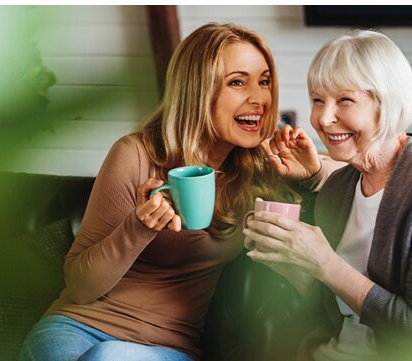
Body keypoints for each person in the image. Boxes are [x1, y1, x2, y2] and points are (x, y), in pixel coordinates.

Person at [19, 22, 307, 361]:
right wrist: (138, 228)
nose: (258, 98)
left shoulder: (261, 170)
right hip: (76, 326)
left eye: (264, 81)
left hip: (166, 347)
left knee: (110, 357)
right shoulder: (135, 155)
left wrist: (311, 176)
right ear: (198, 90)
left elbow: (352, 174)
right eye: (237, 82)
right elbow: (80, 288)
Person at [243, 30, 412, 361]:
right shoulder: (338, 188)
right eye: (318, 100)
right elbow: (335, 304)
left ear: (386, 102)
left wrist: (324, 263)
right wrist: (292, 263)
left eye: (344, 100)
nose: (323, 117)